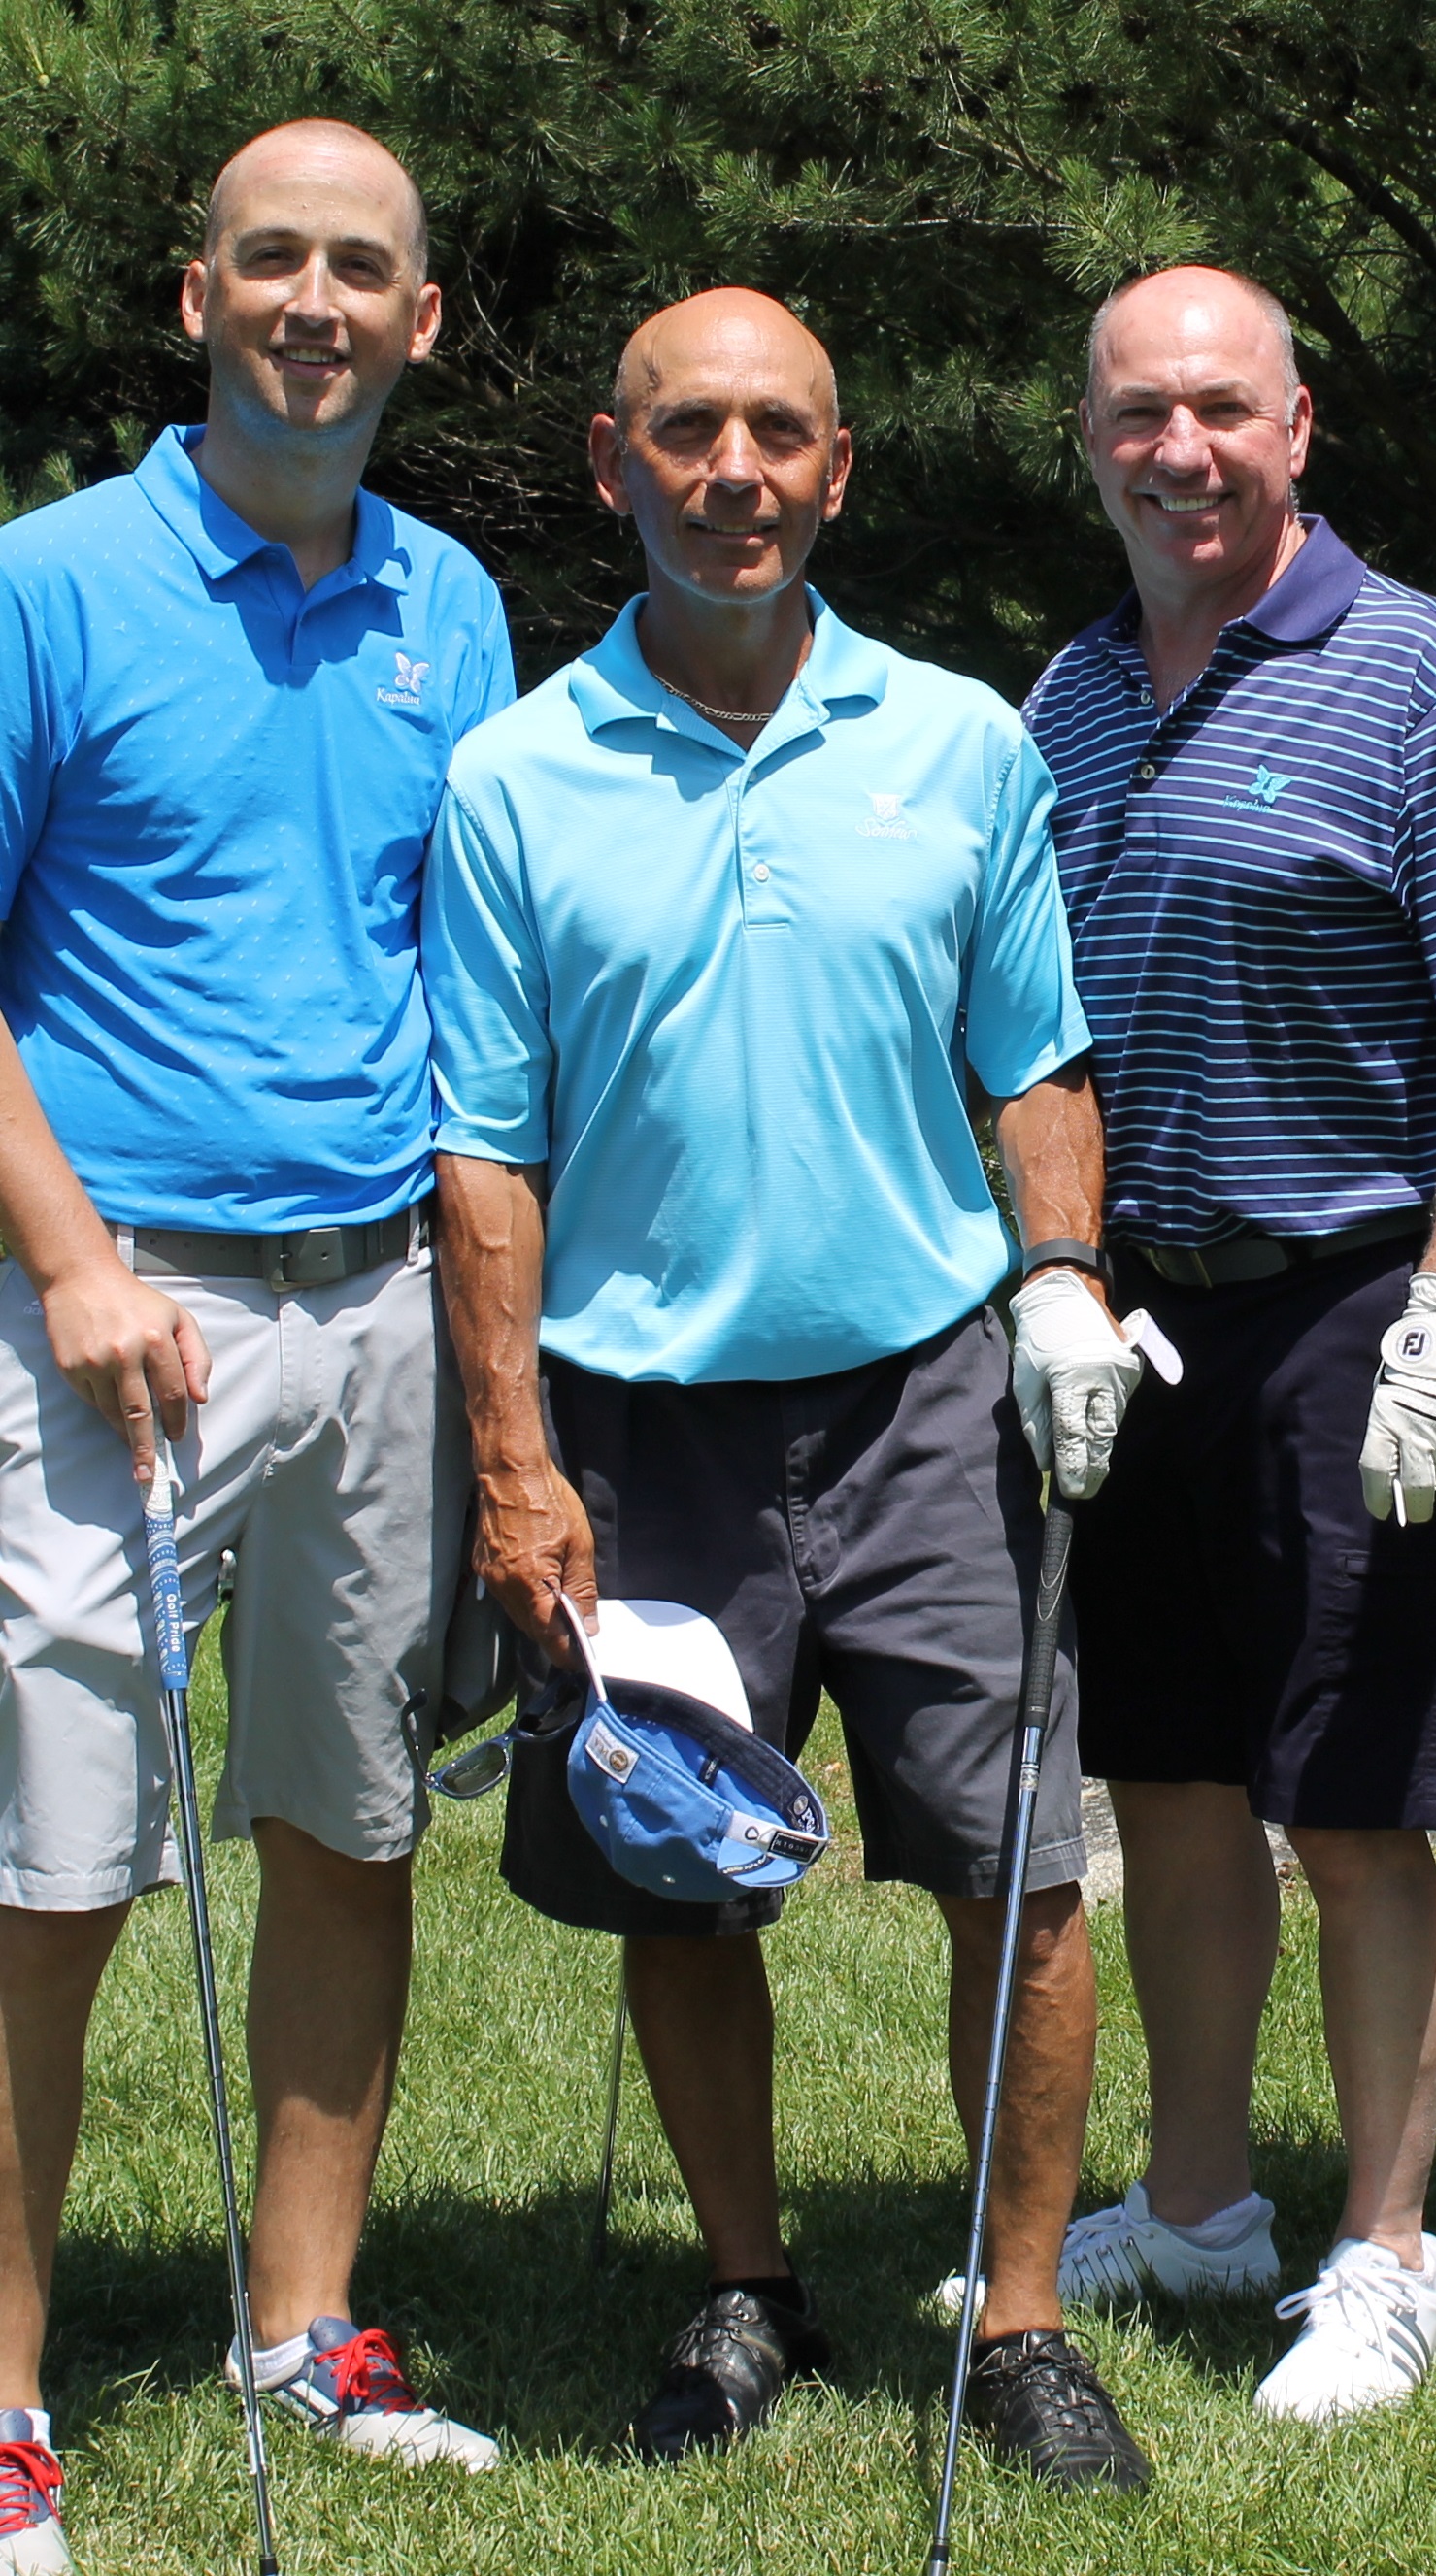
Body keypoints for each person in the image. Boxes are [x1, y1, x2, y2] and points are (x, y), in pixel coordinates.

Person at [422, 287, 1152, 2492]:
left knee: (1017, 1874)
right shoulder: (512, 776)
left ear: (839, 469)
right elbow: (487, 1151)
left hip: (930, 1392)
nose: (732, 471)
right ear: (609, 461)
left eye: (777, 434)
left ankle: (1019, 2320)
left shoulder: (959, 741)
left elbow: (1033, 1064)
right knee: (675, 1875)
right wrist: (512, 1461)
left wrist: (1060, 1285)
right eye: (686, 432)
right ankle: (748, 2277)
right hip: (644, 1421)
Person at [1017, 266, 1436, 2424]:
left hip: (1360, 1298)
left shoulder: (1414, 668)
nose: (1181, 449)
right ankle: (1194, 2202)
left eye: (1222, 411)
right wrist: (1054, 1271)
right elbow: (1031, 1028)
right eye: (1139, 413)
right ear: (1085, 439)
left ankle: (1385, 2246)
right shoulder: (1067, 695)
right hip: (1137, 1311)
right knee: (1165, 1784)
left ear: (1297, 432)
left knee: (1349, 1803)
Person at [0, 119, 512, 2575]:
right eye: (273, 259)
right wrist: (80, 1257)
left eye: (365, 270)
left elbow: (483, 972)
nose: (317, 299)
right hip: (115, 1311)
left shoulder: (457, 604)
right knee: (51, 1858)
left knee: (349, 1825)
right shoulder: (49, 582)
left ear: (424, 322)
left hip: (382, 1303)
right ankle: (0, 2407)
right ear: (193, 293)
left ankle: (304, 2332)